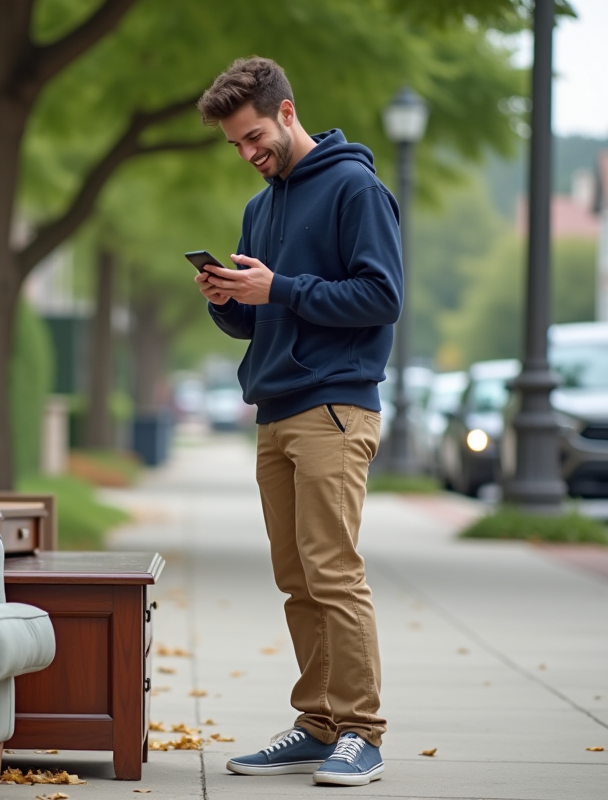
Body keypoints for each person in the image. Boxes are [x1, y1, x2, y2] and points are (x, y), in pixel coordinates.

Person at [194, 56, 402, 787]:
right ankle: (318, 724)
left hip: (334, 409)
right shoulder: (262, 206)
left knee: (334, 574)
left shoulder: (355, 187)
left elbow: (381, 297)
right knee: (298, 580)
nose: (248, 154)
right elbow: (265, 321)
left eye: (254, 137)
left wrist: (278, 286)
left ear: (287, 112)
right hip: (277, 409)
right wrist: (228, 299)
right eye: (236, 146)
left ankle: (362, 732)